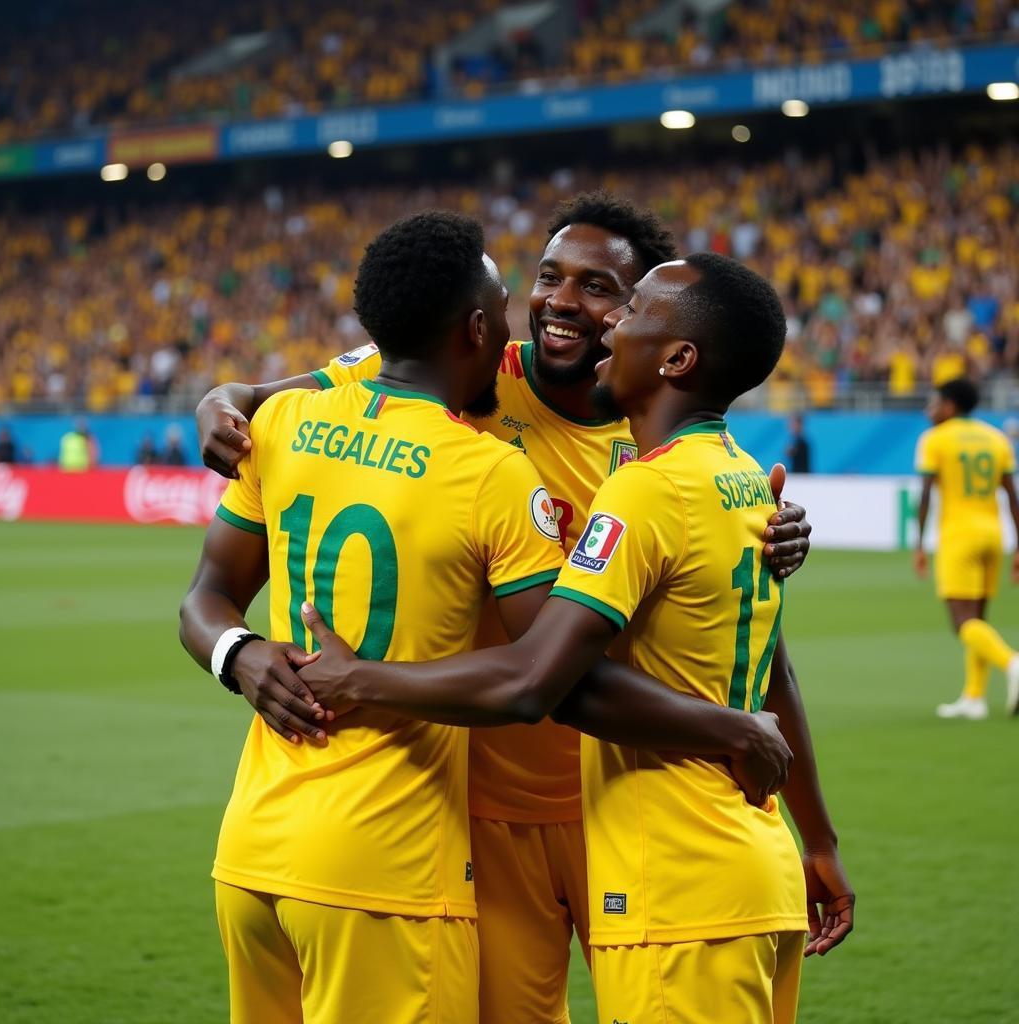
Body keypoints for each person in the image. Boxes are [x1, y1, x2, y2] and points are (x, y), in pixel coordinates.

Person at [195, 193, 814, 1023]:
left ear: (647, 325)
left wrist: (820, 829)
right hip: (491, 812)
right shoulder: (485, 378)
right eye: (550, 277)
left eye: (602, 290)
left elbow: (757, 649)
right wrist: (221, 395)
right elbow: (267, 394)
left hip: (630, 798)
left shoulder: (670, 459)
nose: (562, 301)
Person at [914, 377, 1019, 718]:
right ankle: (974, 697)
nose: (931, 409)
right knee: (979, 619)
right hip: (993, 534)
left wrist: (918, 543)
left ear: (951, 405)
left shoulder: (935, 439)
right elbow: (1012, 497)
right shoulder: (996, 438)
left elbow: (927, 493)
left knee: (962, 623)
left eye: (936, 402)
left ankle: (1012, 661)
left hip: (959, 535)